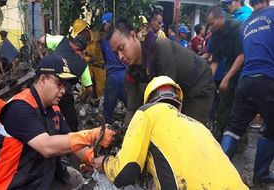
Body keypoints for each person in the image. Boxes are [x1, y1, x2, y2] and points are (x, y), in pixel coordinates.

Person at [93, 76, 248, 189]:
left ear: (149, 100)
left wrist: (105, 162)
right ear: (178, 103)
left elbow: (124, 173)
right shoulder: (200, 126)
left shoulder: (147, 112)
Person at [0, 55, 115, 189]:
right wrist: (92, 136)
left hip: (37, 175)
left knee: (75, 179)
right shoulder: (19, 107)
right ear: (42, 80)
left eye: (64, 85)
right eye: (59, 83)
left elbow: (70, 139)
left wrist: (92, 159)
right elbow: (46, 147)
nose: (63, 90)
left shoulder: (53, 108)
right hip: (14, 183)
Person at [107, 18, 215, 125]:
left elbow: (167, 100)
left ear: (133, 36)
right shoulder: (131, 71)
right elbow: (132, 108)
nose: (120, 56)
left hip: (198, 84)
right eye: (116, 53)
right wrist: (128, 131)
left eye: (121, 48)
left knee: (190, 131)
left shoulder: (160, 47)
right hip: (179, 90)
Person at [220, 0, 274, 185]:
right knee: (271, 131)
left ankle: (217, 168)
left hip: (245, 81)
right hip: (267, 80)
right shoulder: (273, 14)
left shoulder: (245, 25)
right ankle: (260, 175)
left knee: (233, 130)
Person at [38, 27, 93, 131]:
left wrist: (44, 52)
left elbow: (41, 39)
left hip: (45, 85)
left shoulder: (62, 41)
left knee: (41, 113)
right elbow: (89, 89)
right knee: (71, 124)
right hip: (64, 93)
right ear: (82, 50)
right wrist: (82, 99)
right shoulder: (83, 64)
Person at [206, 6, 245, 140]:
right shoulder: (216, 34)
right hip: (230, 65)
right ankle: (221, 134)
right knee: (224, 97)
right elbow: (215, 60)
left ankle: (240, 137)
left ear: (221, 18)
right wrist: (208, 81)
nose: (211, 27)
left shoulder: (236, 27)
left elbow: (241, 55)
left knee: (240, 102)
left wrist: (226, 78)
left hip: (245, 65)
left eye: (212, 23)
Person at [100, 12, 127, 124]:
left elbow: (103, 57)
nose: (104, 28)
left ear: (108, 24)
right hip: (125, 75)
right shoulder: (123, 38)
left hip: (113, 77)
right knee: (131, 106)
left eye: (104, 25)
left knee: (108, 111)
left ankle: (107, 134)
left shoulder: (104, 41)